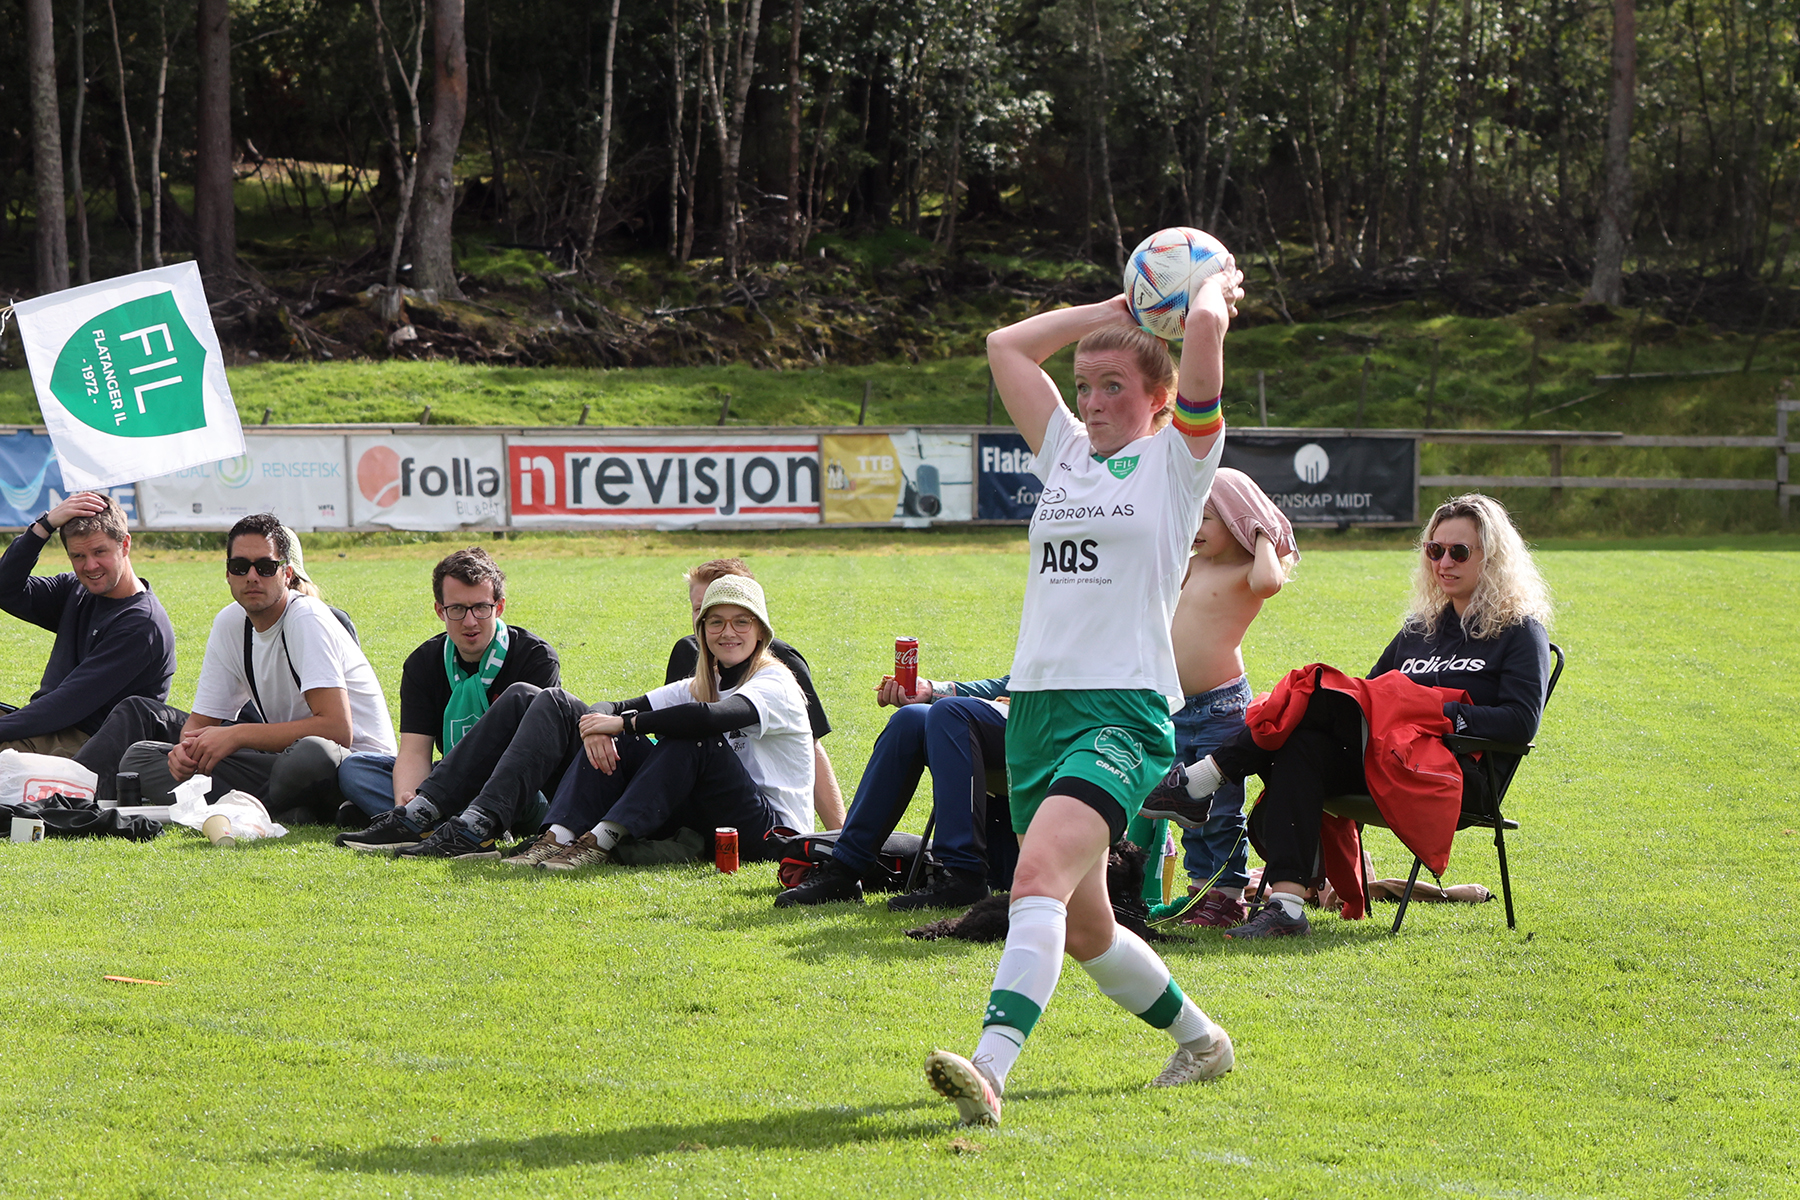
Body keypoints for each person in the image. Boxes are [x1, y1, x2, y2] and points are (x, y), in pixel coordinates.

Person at [924, 263, 1243, 1128]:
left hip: (1121, 711)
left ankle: (989, 1073)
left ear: (1159, 399)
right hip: (1036, 710)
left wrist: (1205, 288)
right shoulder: (1065, 452)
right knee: (1085, 926)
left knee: (1033, 877)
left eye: (1114, 387)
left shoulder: (1177, 463)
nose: (1094, 402)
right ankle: (1204, 1042)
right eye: (1085, 386)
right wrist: (1112, 308)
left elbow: (1204, 338)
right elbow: (1005, 347)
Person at [1166, 493, 1552, 939]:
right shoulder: (1420, 630)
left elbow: (1520, 722)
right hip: (1387, 763)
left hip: (1453, 776)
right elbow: (1365, 699)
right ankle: (1286, 907)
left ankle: (1203, 779)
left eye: (1459, 552)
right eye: (1434, 550)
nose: (1444, 563)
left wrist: (1435, 713)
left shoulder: (1519, 631)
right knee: (1303, 738)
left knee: (1313, 694)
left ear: (1493, 557)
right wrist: (1395, 709)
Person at [346, 575, 813, 864]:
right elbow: (612, 706)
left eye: (740, 622)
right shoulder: (700, 681)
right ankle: (453, 820)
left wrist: (626, 726)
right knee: (540, 699)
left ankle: (593, 839)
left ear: (761, 631)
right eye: (716, 622)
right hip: (694, 809)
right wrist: (596, 724)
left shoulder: (775, 681)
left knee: (688, 734)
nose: (727, 632)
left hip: (765, 832)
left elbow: (710, 719)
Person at [99, 514, 396, 821]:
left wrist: (238, 735)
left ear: (287, 574)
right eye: (240, 567)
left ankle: (279, 807)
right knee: (140, 758)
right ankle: (291, 810)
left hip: (351, 767)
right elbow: (200, 723)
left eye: (265, 567)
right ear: (228, 574)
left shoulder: (306, 618)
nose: (252, 577)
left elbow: (337, 730)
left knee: (310, 754)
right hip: (281, 764)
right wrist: (186, 752)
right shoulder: (230, 622)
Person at [1136, 469, 1296, 928]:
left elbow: (1269, 582)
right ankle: (1199, 889)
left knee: (1221, 809)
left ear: (1237, 520)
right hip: (1175, 705)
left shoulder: (1247, 571)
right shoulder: (1194, 564)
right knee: (1183, 805)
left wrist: (1261, 532)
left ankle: (1227, 896)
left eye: (1205, 518)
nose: (1195, 528)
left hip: (1221, 707)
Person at [335, 547, 560, 829]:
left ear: (499, 607)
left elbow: (531, 759)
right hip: (449, 780)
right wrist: (408, 800)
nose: (470, 621)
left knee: (526, 793)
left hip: (518, 783)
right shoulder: (423, 663)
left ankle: (441, 821)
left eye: (481, 608)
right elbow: (415, 752)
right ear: (440, 611)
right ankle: (431, 821)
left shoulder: (535, 658)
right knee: (357, 769)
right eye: (457, 609)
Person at [773, 672, 1016, 911]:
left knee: (950, 713)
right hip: (1020, 708)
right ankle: (845, 869)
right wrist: (932, 690)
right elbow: (1015, 682)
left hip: (1039, 721)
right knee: (910, 719)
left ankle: (964, 876)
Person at [668, 559, 843, 830]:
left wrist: (839, 837)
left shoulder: (780, 661)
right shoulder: (686, 653)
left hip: (757, 811)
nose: (723, 627)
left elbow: (810, 747)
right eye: (699, 610)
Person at [0, 492, 175, 755]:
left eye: (99, 552)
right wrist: (44, 526)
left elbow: (65, 706)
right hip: (49, 725)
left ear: (125, 545)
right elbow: (5, 589)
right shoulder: (76, 590)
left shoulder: (141, 625)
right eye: (78, 556)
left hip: (91, 743)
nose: (90, 566)